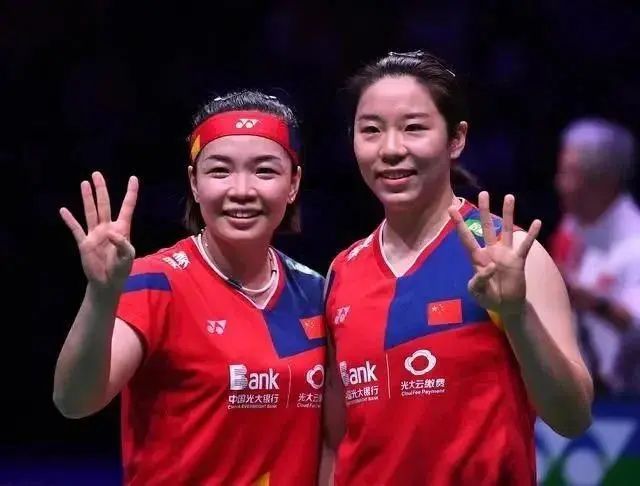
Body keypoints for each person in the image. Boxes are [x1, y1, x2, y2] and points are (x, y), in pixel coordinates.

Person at [322, 50, 593, 485]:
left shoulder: (510, 253)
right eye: (371, 130)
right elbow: (336, 442)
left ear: (456, 139)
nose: (390, 149)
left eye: (414, 128)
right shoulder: (342, 272)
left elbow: (573, 417)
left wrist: (516, 314)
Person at [53, 90, 327, 485]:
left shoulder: (317, 292)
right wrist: (100, 295)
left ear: (293, 183)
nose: (241, 190)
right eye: (220, 171)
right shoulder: (155, 282)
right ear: (195, 184)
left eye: (265, 171)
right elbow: (74, 401)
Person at [551, 118, 640, 396]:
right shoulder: (571, 226)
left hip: (625, 401)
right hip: (576, 390)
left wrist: (575, 294)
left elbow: (635, 324)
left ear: (602, 182)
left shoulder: (635, 243)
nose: (559, 184)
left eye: (569, 173)